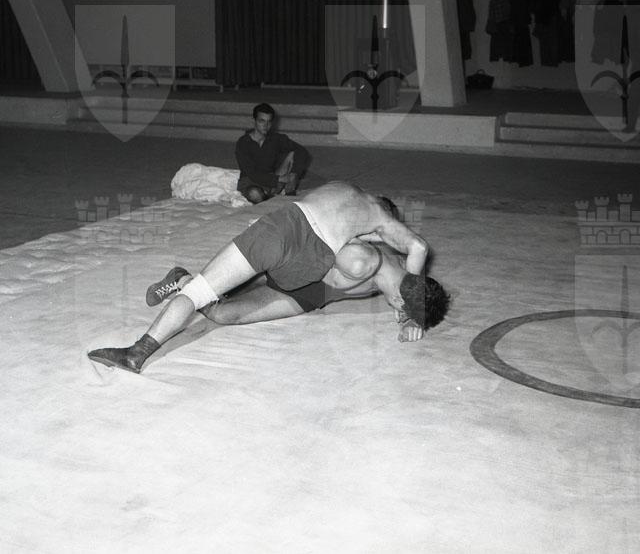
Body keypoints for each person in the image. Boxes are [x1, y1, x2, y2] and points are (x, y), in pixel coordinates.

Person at [88, 181, 449, 374]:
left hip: (308, 283)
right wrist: (413, 311)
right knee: (216, 292)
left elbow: (412, 256)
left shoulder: (371, 236)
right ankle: (141, 348)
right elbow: (413, 251)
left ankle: (183, 281)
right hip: (299, 252)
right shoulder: (367, 258)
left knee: (220, 310)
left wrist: (413, 309)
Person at [235, 102, 311, 203]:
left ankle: (287, 193)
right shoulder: (243, 143)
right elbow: (252, 173)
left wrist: (294, 173)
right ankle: (270, 198)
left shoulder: (276, 139)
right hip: (251, 181)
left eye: (269, 122)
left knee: (293, 153)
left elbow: (302, 151)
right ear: (254, 120)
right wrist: (280, 179)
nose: (266, 126)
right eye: (262, 121)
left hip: (272, 181)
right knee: (255, 194)